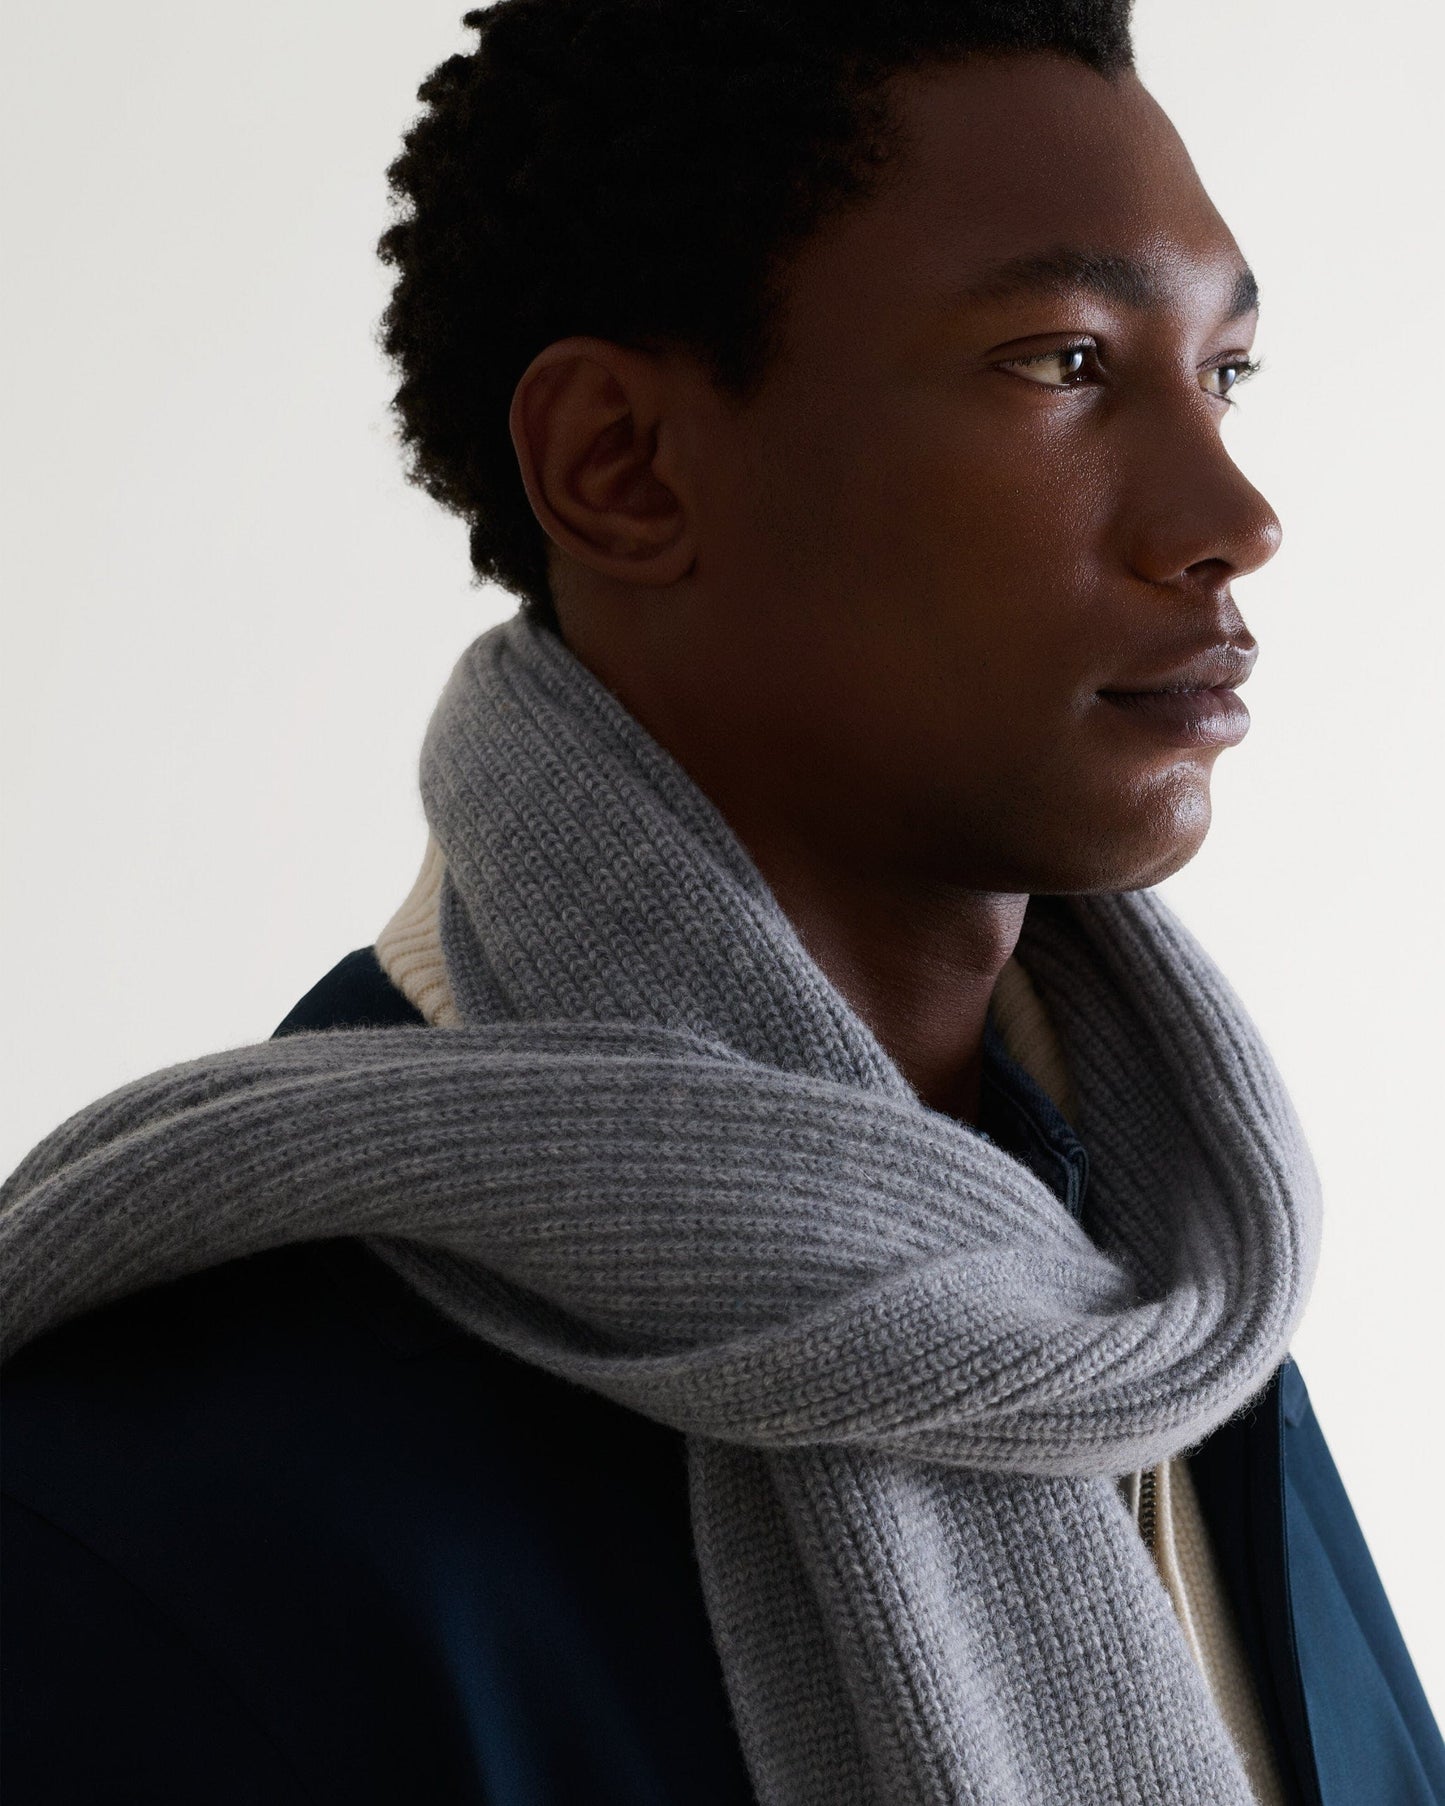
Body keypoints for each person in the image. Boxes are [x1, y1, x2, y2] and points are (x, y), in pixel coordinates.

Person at [2, 2, 1441, 1802]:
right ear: (620, 464)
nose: (1230, 512)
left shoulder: (1162, 1307)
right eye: (1061, 361)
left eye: (1221, 374)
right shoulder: (162, 1508)